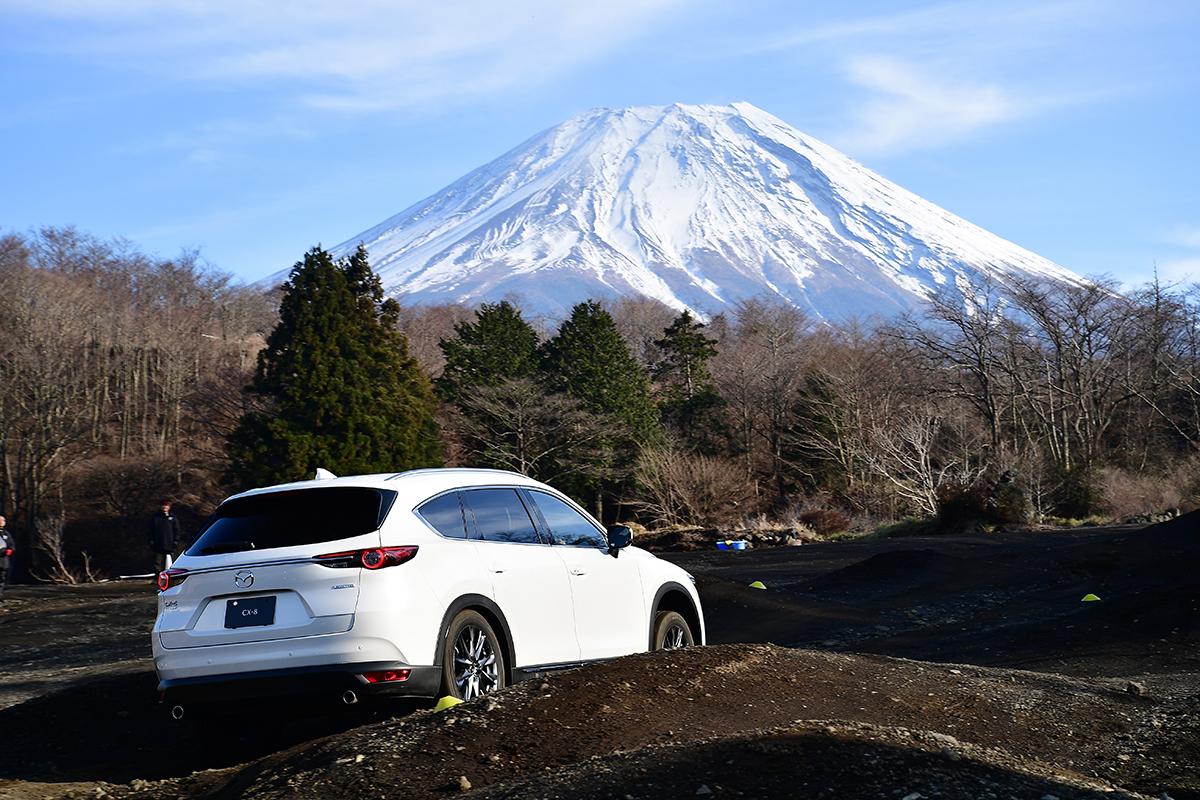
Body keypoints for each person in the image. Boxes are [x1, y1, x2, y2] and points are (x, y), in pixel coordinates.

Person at [149, 500, 182, 574]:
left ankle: (173, 577)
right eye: (163, 505)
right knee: (157, 563)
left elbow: (177, 531)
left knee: (172, 563)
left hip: (170, 545)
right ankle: (158, 578)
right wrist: (151, 541)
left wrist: (176, 541)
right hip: (158, 545)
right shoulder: (155, 518)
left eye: (166, 505)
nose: (164, 507)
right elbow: (151, 530)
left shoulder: (173, 518)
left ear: (169, 507)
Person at [0, 514, 14, 600]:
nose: (2, 522)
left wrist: (10, 550)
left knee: (2, 579)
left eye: (3, 521)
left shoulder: (6, 533)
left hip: (3, 561)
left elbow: (11, 544)